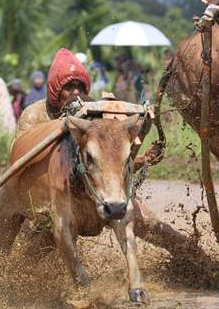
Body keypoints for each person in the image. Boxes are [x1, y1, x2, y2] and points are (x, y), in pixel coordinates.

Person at [15, 48, 201, 259]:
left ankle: (198, 260)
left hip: (99, 190)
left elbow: (110, 160)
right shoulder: (34, 115)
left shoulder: (94, 110)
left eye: (79, 86)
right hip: (55, 195)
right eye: (68, 87)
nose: (75, 93)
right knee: (41, 245)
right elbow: (23, 165)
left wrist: (142, 159)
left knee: (151, 224)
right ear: (54, 90)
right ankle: (19, 278)